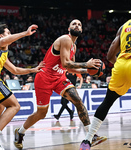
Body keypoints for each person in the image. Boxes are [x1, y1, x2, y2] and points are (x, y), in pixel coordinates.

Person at [14, 19, 107, 149]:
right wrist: (87, 64)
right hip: (44, 78)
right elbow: (65, 63)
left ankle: (92, 136)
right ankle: (20, 132)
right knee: (41, 113)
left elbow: (70, 69)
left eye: (79, 24)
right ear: (69, 29)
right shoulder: (65, 39)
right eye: (74, 24)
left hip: (59, 78)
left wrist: (88, 71)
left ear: (82, 30)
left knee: (77, 100)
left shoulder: (74, 46)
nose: (77, 25)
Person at [80, 0, 131, 149]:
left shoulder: (125, 26)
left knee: (107, 102)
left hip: (121, 65)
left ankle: (87, 140)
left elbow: (110, 55)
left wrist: (122, 67)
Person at [0, 24, 44, 150]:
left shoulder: (0, 52)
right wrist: (25, 33)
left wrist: (33, 69)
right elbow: (5, 40)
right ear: (1, 35)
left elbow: (15, 70)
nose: (10, 35)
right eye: (8, 32)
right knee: (14, 106)